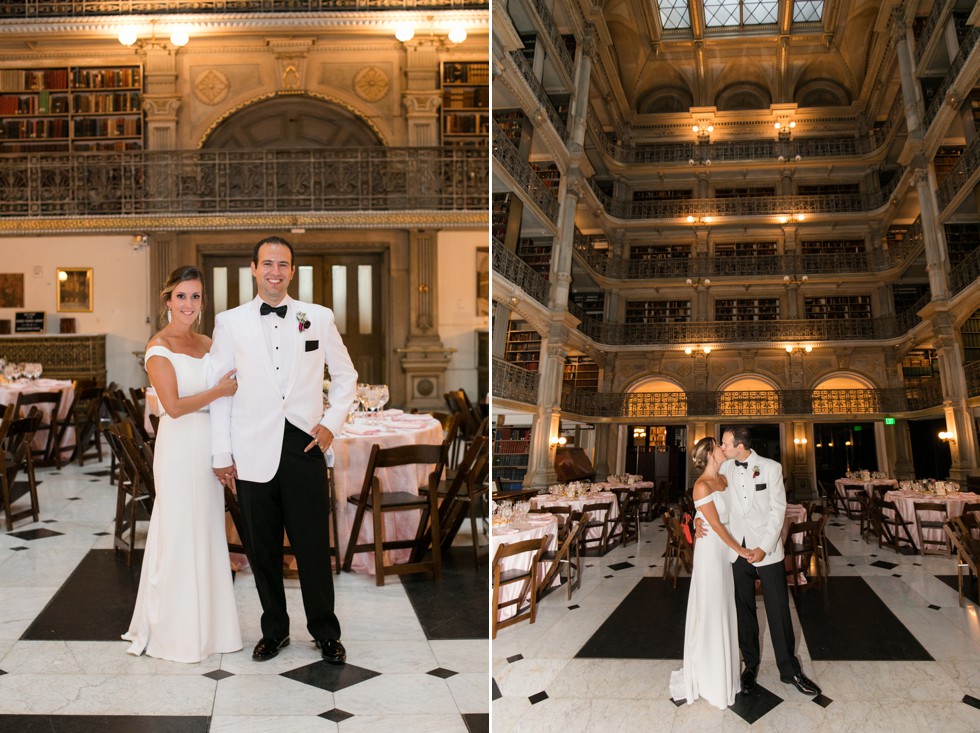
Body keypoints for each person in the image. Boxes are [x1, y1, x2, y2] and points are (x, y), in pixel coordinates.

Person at [208, 236, 357, 664]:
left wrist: (330, 424)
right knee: (263, 549)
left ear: (293, 271)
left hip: (304, 444)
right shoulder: (229, 322)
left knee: (312, 547)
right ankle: (274, 630)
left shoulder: (319, 317)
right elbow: (220, 391)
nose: (275, 272)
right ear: (253, 268)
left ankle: (325, 632)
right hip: (250, 447)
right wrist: (221, 453)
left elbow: (347, 377)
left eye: (283, 265)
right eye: (267, 264)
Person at [123, 266, 243, 663]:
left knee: (207, 533)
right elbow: (172, 407)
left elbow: (232, 393)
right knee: (179, 533)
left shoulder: (208, 342)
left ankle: (212, 630)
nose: (189, 304)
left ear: (202, 302)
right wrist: (218, 390)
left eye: (195, 296)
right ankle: (175, 632)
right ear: (168, 301)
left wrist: (226, 451)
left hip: (210, 445)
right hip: (179, 447)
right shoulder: (158, 348)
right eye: (181, 296)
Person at [715, 426, 822, 696]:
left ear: (740, 445)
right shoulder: (725, 469)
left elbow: (778, 511)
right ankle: (749, 665)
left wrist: (764, 547)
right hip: (737, 549)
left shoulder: (771, 468)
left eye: (725, 443)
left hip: (767, 551)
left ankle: (790, 670)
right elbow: (712, 498)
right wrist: (699, 520)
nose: (722, 447)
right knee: (744, 610)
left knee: (778, 609)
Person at [670, 437, 754, 710]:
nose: (722, 448)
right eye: (718, 446)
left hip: (724, 549)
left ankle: (725, 670)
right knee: (711, 606)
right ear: (709, 453)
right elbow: (716, 525)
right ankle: (709, 675)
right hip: (712, 551)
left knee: (724, 607)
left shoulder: (724, 478)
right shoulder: (701, 485)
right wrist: (740, 550)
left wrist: (698, 518)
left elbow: (728, 513)